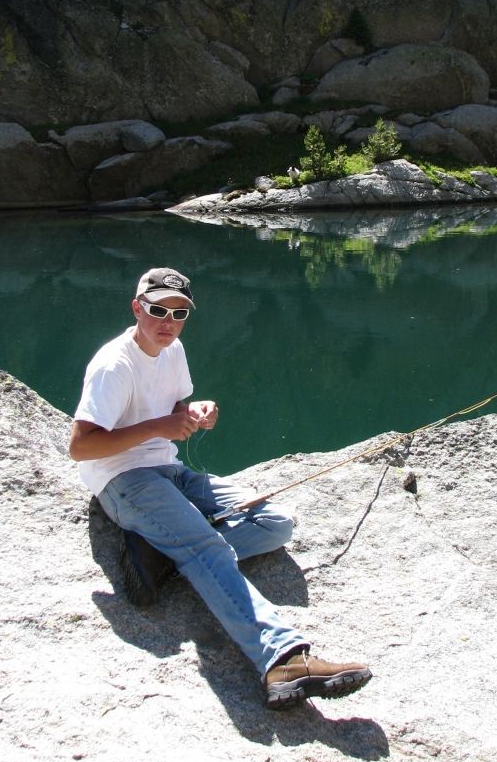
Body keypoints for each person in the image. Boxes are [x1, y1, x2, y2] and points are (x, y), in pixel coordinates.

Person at [69, 266, 372, 709]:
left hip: (167, 469)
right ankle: (282, 659)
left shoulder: (173, 350)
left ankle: (163, 556)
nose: (167, 322)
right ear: (137, 308)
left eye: (179, 314)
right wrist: (162, 426)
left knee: (275, 523)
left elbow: (172, 407)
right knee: (209, 548)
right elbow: (81, 446)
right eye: (157, 310)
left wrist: (194, 413)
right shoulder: (114, 365)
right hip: (123, 478)